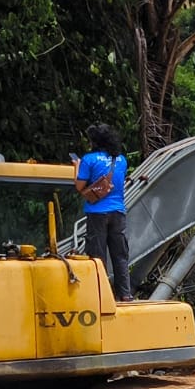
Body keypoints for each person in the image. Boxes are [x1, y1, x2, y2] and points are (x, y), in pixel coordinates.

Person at [75, 123, 133, 301]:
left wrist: (76, 167)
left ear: (95, 141)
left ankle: (102, 295)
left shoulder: (88, 160)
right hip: (118, 212)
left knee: (97, 255)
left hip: (97, 212)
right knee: (120, 255)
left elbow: (79, 186)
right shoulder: (121, 160)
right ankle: (125, 294)